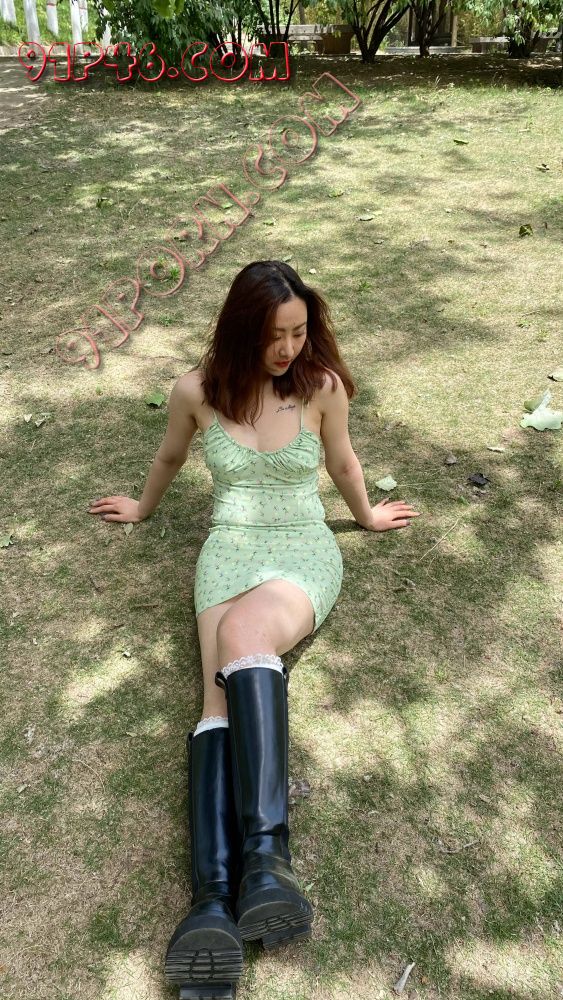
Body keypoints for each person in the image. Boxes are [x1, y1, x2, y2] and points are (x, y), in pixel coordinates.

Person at [88, 260, 421, 999]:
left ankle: (267, 860)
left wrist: (367, 515)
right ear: (242, 330)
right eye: (274, 335)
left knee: (243, 636)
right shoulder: (196, 392)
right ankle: (212, 899)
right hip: (228, 552)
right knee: (214, 704)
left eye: (299, 332)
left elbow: (342, 461)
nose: (288, 349)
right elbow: (170, 455)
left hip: (301, 551)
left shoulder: (321, 387)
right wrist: (142, 507)